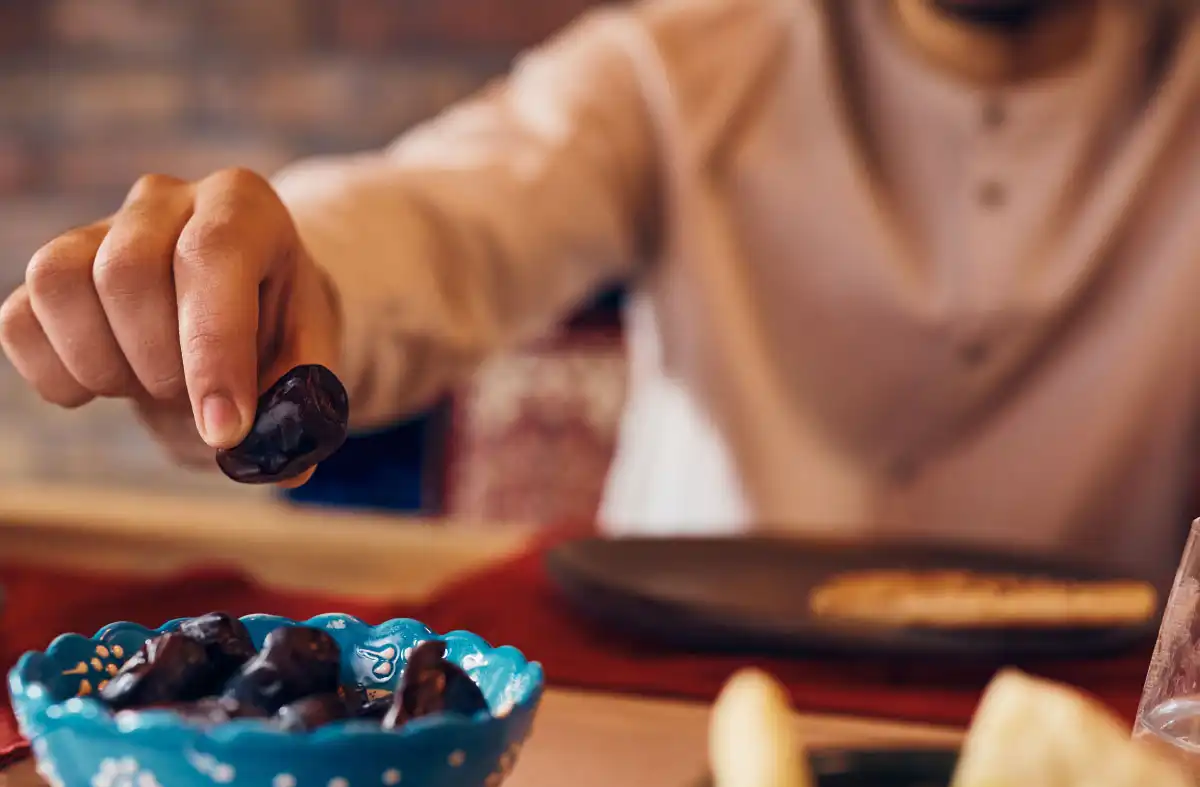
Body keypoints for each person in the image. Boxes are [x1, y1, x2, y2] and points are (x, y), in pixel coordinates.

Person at [2, 0, 1198, 578]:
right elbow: (447, 214)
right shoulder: (684, 62)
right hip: (682, 711)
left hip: (1106, 759)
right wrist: (273, 278)